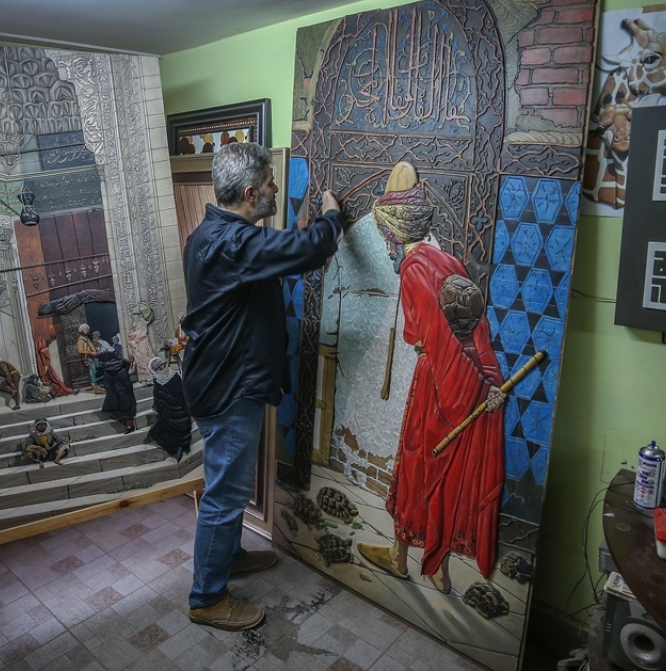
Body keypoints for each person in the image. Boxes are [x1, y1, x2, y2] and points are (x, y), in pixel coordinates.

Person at [182, 142, 343, 631]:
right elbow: (309, 250)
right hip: (230, 388)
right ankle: (207, 598)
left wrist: (300, 237)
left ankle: (228, 558)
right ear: (251, 193)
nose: (276, 189)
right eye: (271, 183)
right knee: (225, 495)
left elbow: (277, 257)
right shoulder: (234, 243)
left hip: (222, 380)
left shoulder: (212, 234)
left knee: (229, 487)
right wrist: (331, 217)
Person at [355, 162, 506, 594]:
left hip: (440, 382)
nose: (385, 241)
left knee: (419, 467)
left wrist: (473, 389)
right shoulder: (447, 260)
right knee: (435, 471)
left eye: (384, 232)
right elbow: (475, 330)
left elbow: (439, 340)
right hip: (459, 375)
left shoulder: (414, 269)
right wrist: (487, 378)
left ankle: (416, 560)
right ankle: (425, 563)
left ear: (392, 231)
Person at [145, 354, 192, 460]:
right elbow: (158, 399)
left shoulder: (174, 376)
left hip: (180, 409)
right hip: (168, 412)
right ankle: (178, 448)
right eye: (160, 368)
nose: (163, 369)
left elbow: (181, 393)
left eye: (163, 366)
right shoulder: (158, 383)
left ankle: (181, 447)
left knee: (179, 427)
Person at [98, 345, 136, 432]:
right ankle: (130, 425)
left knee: (119, 410)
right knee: (128, 409)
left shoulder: (106, 371)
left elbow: (108, 387)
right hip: (124, 394)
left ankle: (128, 424)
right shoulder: (121, 369)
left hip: (115, 396)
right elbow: (128, 384)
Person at [78, 324, 105, 394]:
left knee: (95, 373)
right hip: (88, 359)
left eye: (87, 330)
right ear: (82, 331)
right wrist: (90, 352)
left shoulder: (86, 338)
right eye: (85, 330)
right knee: (92, 375)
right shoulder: (81, 340)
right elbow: (81, 350)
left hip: (92, 359)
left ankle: (97, 388)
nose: (87, 331)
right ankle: (96, 390)